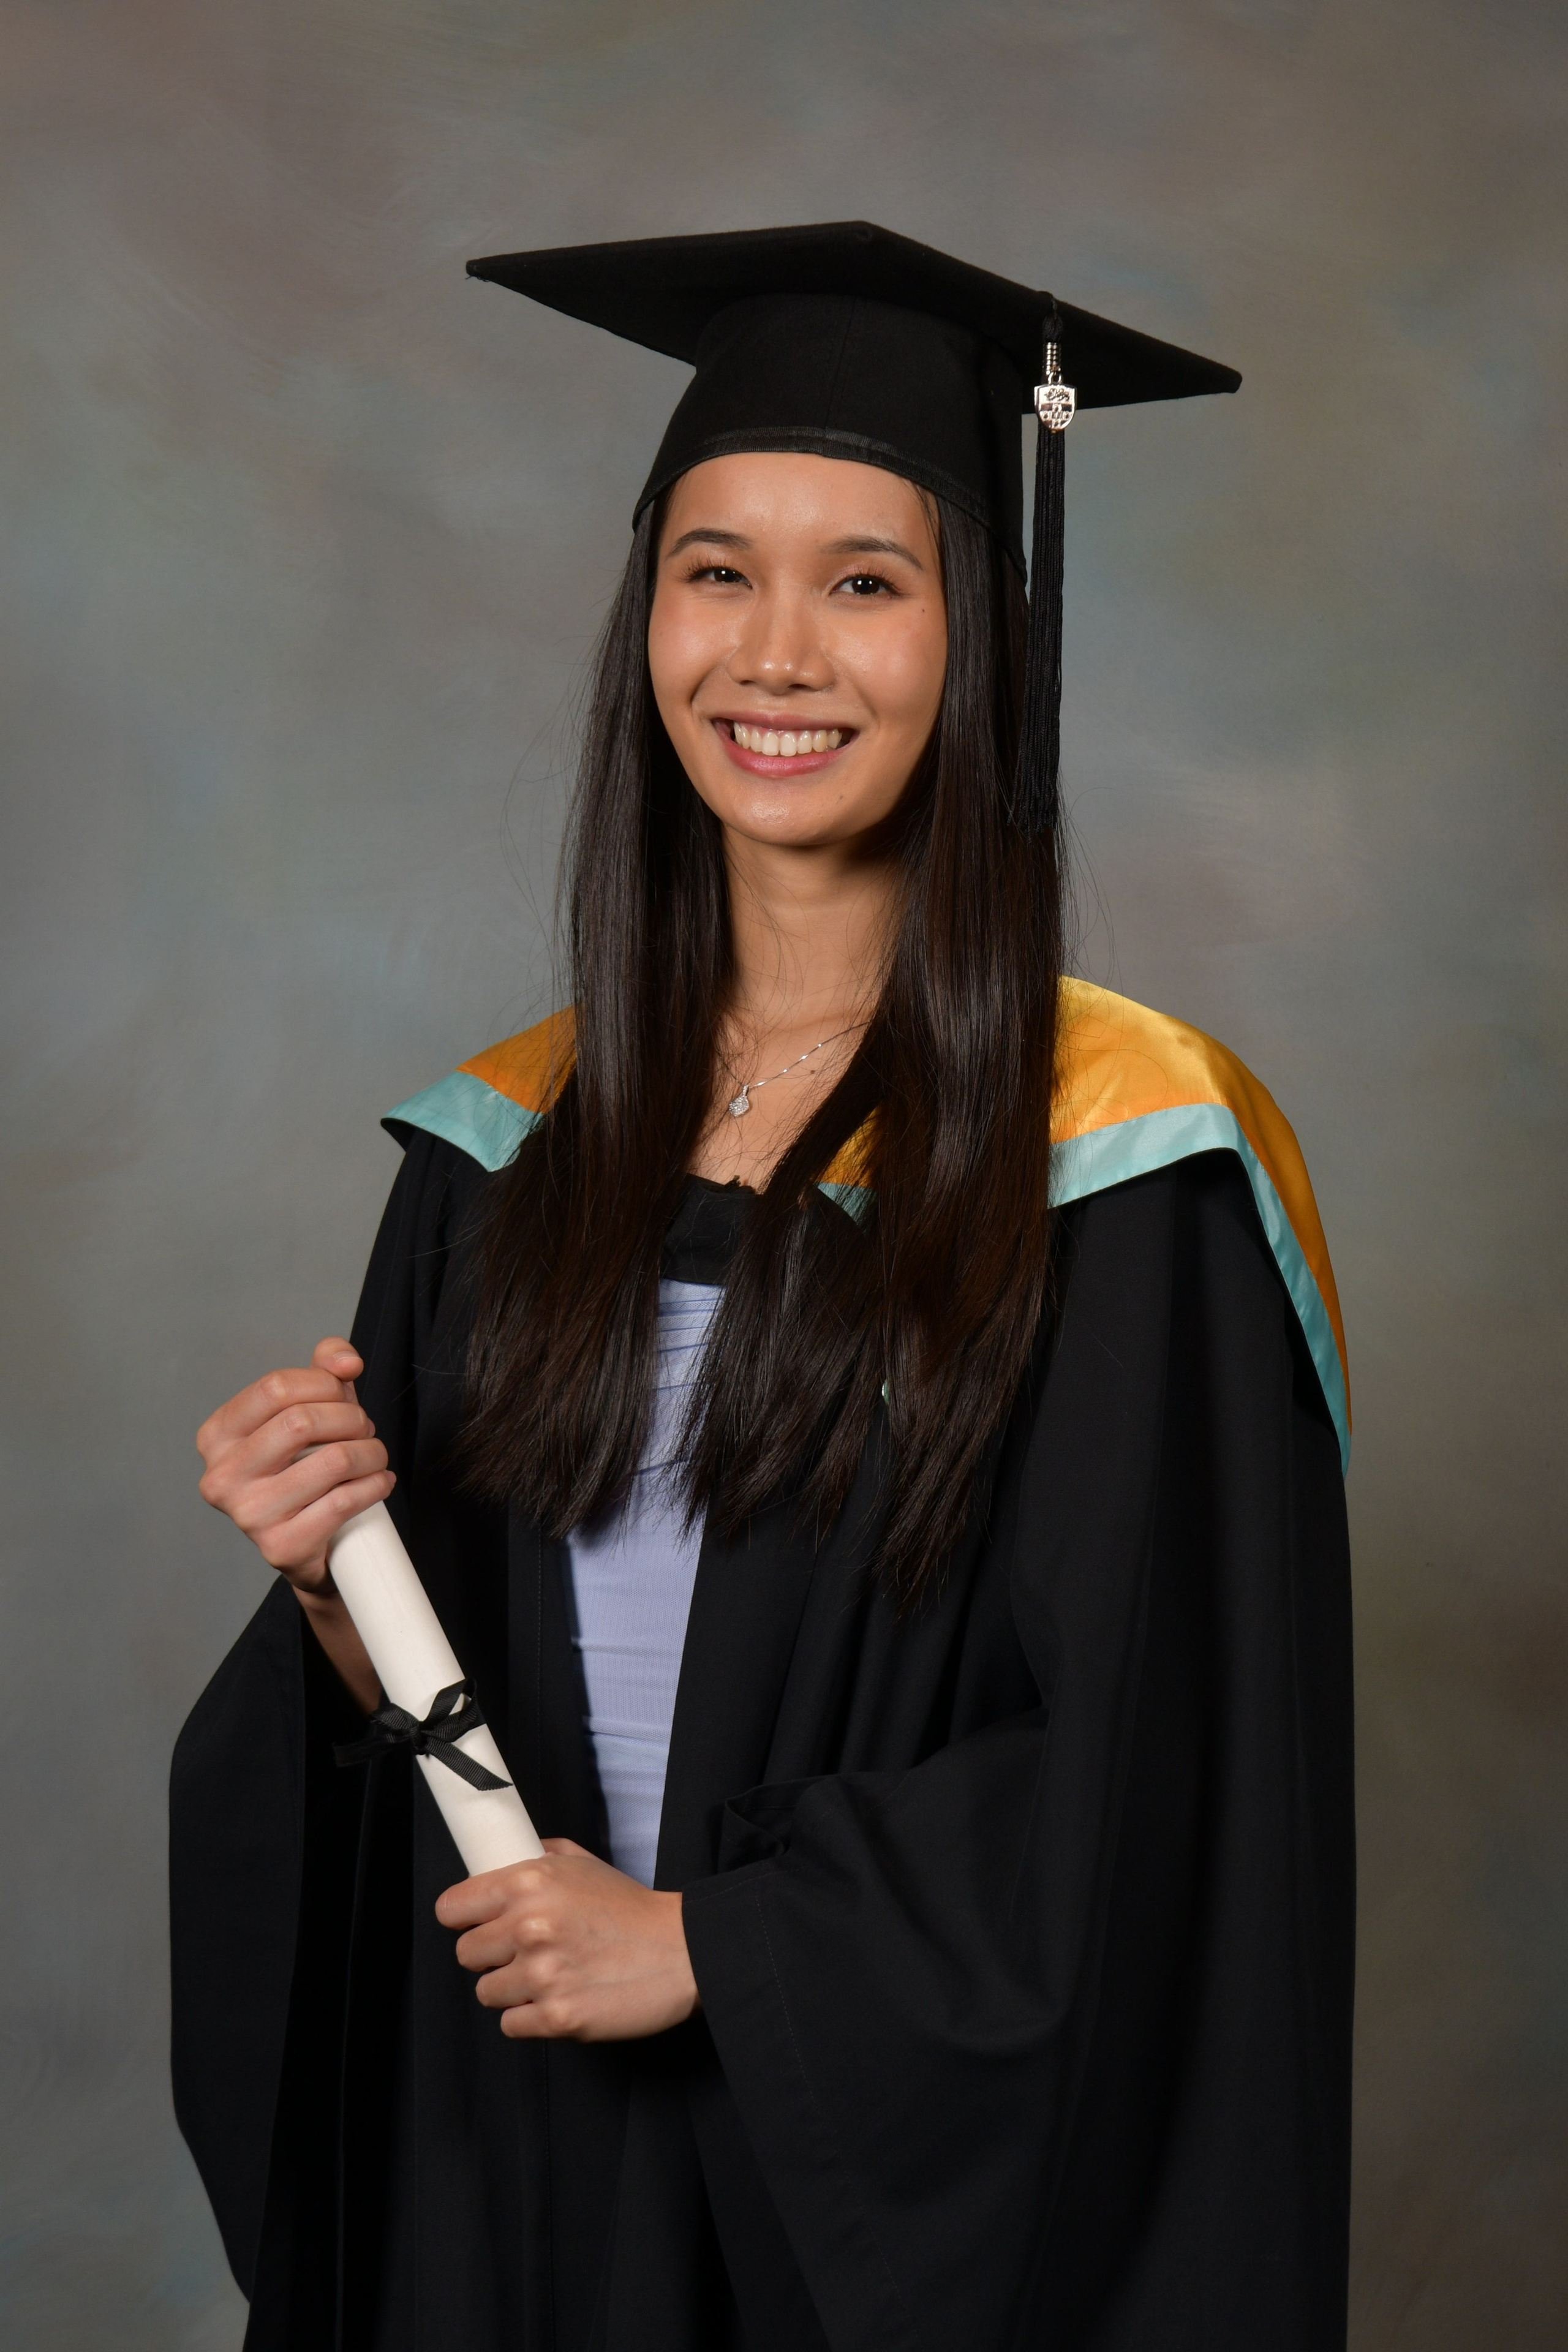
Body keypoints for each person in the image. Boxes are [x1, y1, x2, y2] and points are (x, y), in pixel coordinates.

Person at [172, 224, 1354, 2352]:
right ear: (647, 621)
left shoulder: (1130, 1157)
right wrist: (341, 1597)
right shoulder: (505, 1157)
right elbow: (446, 1754)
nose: (775, 653)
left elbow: (1157, 1782)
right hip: (518, 2137)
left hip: (866, 2191)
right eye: (717, 570)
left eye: (866, 581)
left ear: (977, 635)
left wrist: (724, 1947)